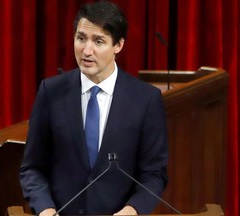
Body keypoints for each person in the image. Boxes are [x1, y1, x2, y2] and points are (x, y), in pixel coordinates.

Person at [19, 1, 169, 215]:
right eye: (81, 38)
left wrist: (132, 210)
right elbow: (32, 167)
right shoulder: (50, 92)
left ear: (118, 45)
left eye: (98, 41)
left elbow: (154, 173)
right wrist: (45, 209)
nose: (86, 50)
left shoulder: (145, 100)